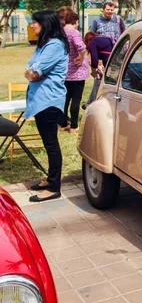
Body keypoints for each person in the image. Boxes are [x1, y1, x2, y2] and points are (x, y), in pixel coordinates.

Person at [24, 11, 68, 202]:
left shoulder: (55, 46)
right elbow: (29, 69)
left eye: (35, 22)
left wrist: (35, 73)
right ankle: (50, 180)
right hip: (41, 101)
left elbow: (34, 73)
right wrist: (33, 73)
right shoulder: (43, 45)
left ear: (46, 24)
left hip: (49, 101)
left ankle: (54, 187)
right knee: (48, 142)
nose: (32, 25)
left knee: (51, 144)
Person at [59, 11, 89, 134]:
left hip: (64, 71)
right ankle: (74, 126)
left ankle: (63, 122)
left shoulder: (60, 33)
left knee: (65, 100)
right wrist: (81, 57)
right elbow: (81, 47)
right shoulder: (74, 32)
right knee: (76, 100)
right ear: (76, 21)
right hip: (77, 73)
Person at [82, 32, 115, 109]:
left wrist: (93, 72)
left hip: (110, 64)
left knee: (98, 79)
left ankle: (92, 103)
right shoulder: (105, 39)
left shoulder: (93, 42)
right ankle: (90, 102)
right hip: (114, 62)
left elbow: (94, 61)